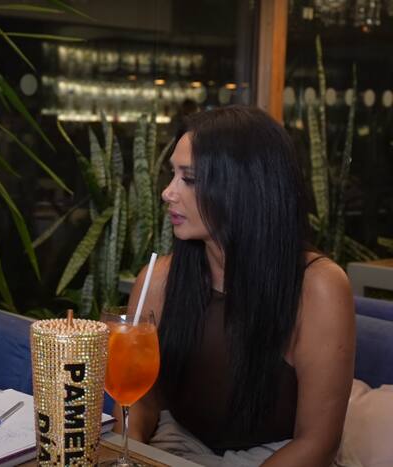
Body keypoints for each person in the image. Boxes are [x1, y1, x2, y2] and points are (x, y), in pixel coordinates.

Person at [124, 106, 355, 466]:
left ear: (243, 187)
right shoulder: (157, 279)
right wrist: (130, 453)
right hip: (179, 444)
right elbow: (141, 400)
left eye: (190, 178)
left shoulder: (319, 287)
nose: (168, 193)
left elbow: (318, 441)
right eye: (172, 175)